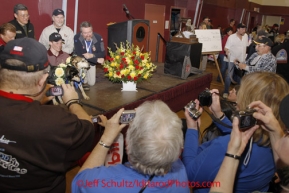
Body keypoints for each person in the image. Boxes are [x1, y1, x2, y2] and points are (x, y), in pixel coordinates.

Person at [0, 38, 95, 192]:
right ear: (43, 80)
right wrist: (72, 102)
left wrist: (37, 101)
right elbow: (87, 130)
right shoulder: (54, 120)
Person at [182, 72, 289, 193]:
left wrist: (192, 128)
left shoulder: (224, 146)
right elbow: (246, 134)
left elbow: (188, 175)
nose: (237, 100)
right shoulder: (280, 146)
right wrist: (219, 116)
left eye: (240, 93)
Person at [72, 100, 190, 193]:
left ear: (128, 146)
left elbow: (79, 181)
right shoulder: (180, 170)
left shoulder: (108, 182)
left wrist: (106, 138)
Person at [74, 21, 105, 88]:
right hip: (81, 62)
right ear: (81, 33)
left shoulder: (99, 38)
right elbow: (80, 55)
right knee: (83, 82)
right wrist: (96, 59)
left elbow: (102, 53)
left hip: (92, 62)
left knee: (91, 83)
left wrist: (92, 55)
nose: (88, 35)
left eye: (89, 32)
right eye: (85, 33)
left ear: (92, 30)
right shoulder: (77, 38)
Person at [223, 23, 248, 98]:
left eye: (245, 29)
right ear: (238, 29)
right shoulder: (231, 37)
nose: (244, 30)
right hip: (232, 60)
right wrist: (227, 51)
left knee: (240, 77)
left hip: (241, 61)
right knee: (229, 76)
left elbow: (245, 47)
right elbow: (226, 48)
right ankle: (226, 92)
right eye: (243, 29)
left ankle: (237, 93)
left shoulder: (246, 36)